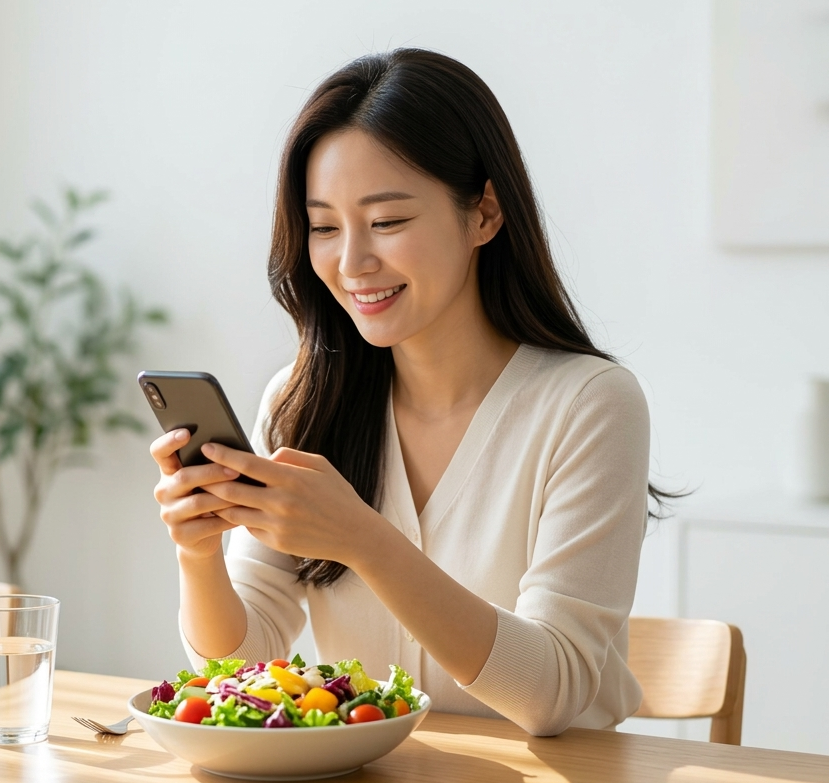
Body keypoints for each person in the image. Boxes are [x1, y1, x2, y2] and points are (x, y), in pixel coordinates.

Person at [150, 48, 653, 736]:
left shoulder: (589, 404)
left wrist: (364, 539)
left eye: (386, 222)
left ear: (484, 213)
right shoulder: (302, 403)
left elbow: (554, 692)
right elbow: (235, 666)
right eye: (324, 227)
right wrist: (198, 553)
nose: (352, 262)